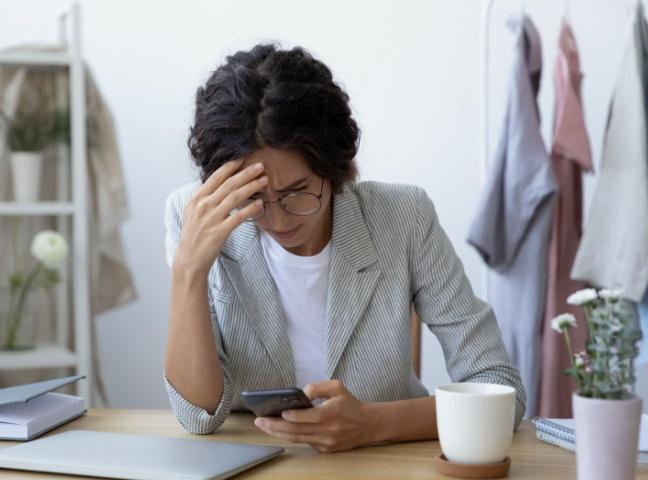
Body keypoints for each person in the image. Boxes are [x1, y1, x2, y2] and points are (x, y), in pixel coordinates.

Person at [164, 43, 525, 453]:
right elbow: (196, 415)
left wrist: (372, 424)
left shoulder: (404, 217)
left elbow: (501, 392)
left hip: (384, 461)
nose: (279, 221)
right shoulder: (192, 215)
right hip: (257, 462)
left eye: (298, 192)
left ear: (336, 171)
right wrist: (188, 272)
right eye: (255, 199)